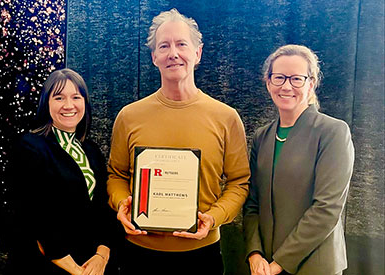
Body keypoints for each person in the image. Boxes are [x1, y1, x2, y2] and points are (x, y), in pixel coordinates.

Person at [106, 8, 250, 275]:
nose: (173, 53)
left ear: (197, 53)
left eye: (181, 44)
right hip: (138, 255)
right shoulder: (129, 116)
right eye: (164, 46)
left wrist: (213, 218)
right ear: (154, 57)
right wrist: (123, 202)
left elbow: (239, 182)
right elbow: (116, 175)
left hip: (201, 256)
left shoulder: (226, 118)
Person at [243, 44, 355, 275]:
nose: (286, 86)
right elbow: (252, 203)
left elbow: (327, 208)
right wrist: (254, 254)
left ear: (311, 83)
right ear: (268, 82)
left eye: (296, 79)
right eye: (279, 77)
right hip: (264, 266)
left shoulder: (333, 132)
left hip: (314, 266)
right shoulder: (262, 136)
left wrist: (279, 263)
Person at [10, 68, 120, 275]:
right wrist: (76, 271)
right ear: (46, 103)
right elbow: (34, 216)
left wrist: (102, 255)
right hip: (51, 265)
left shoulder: (92, 150)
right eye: (59, 97)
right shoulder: (29, 147)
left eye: (76, 97)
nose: (69, 105)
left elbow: (103, 209)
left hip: (94, 264)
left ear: (84, 103)